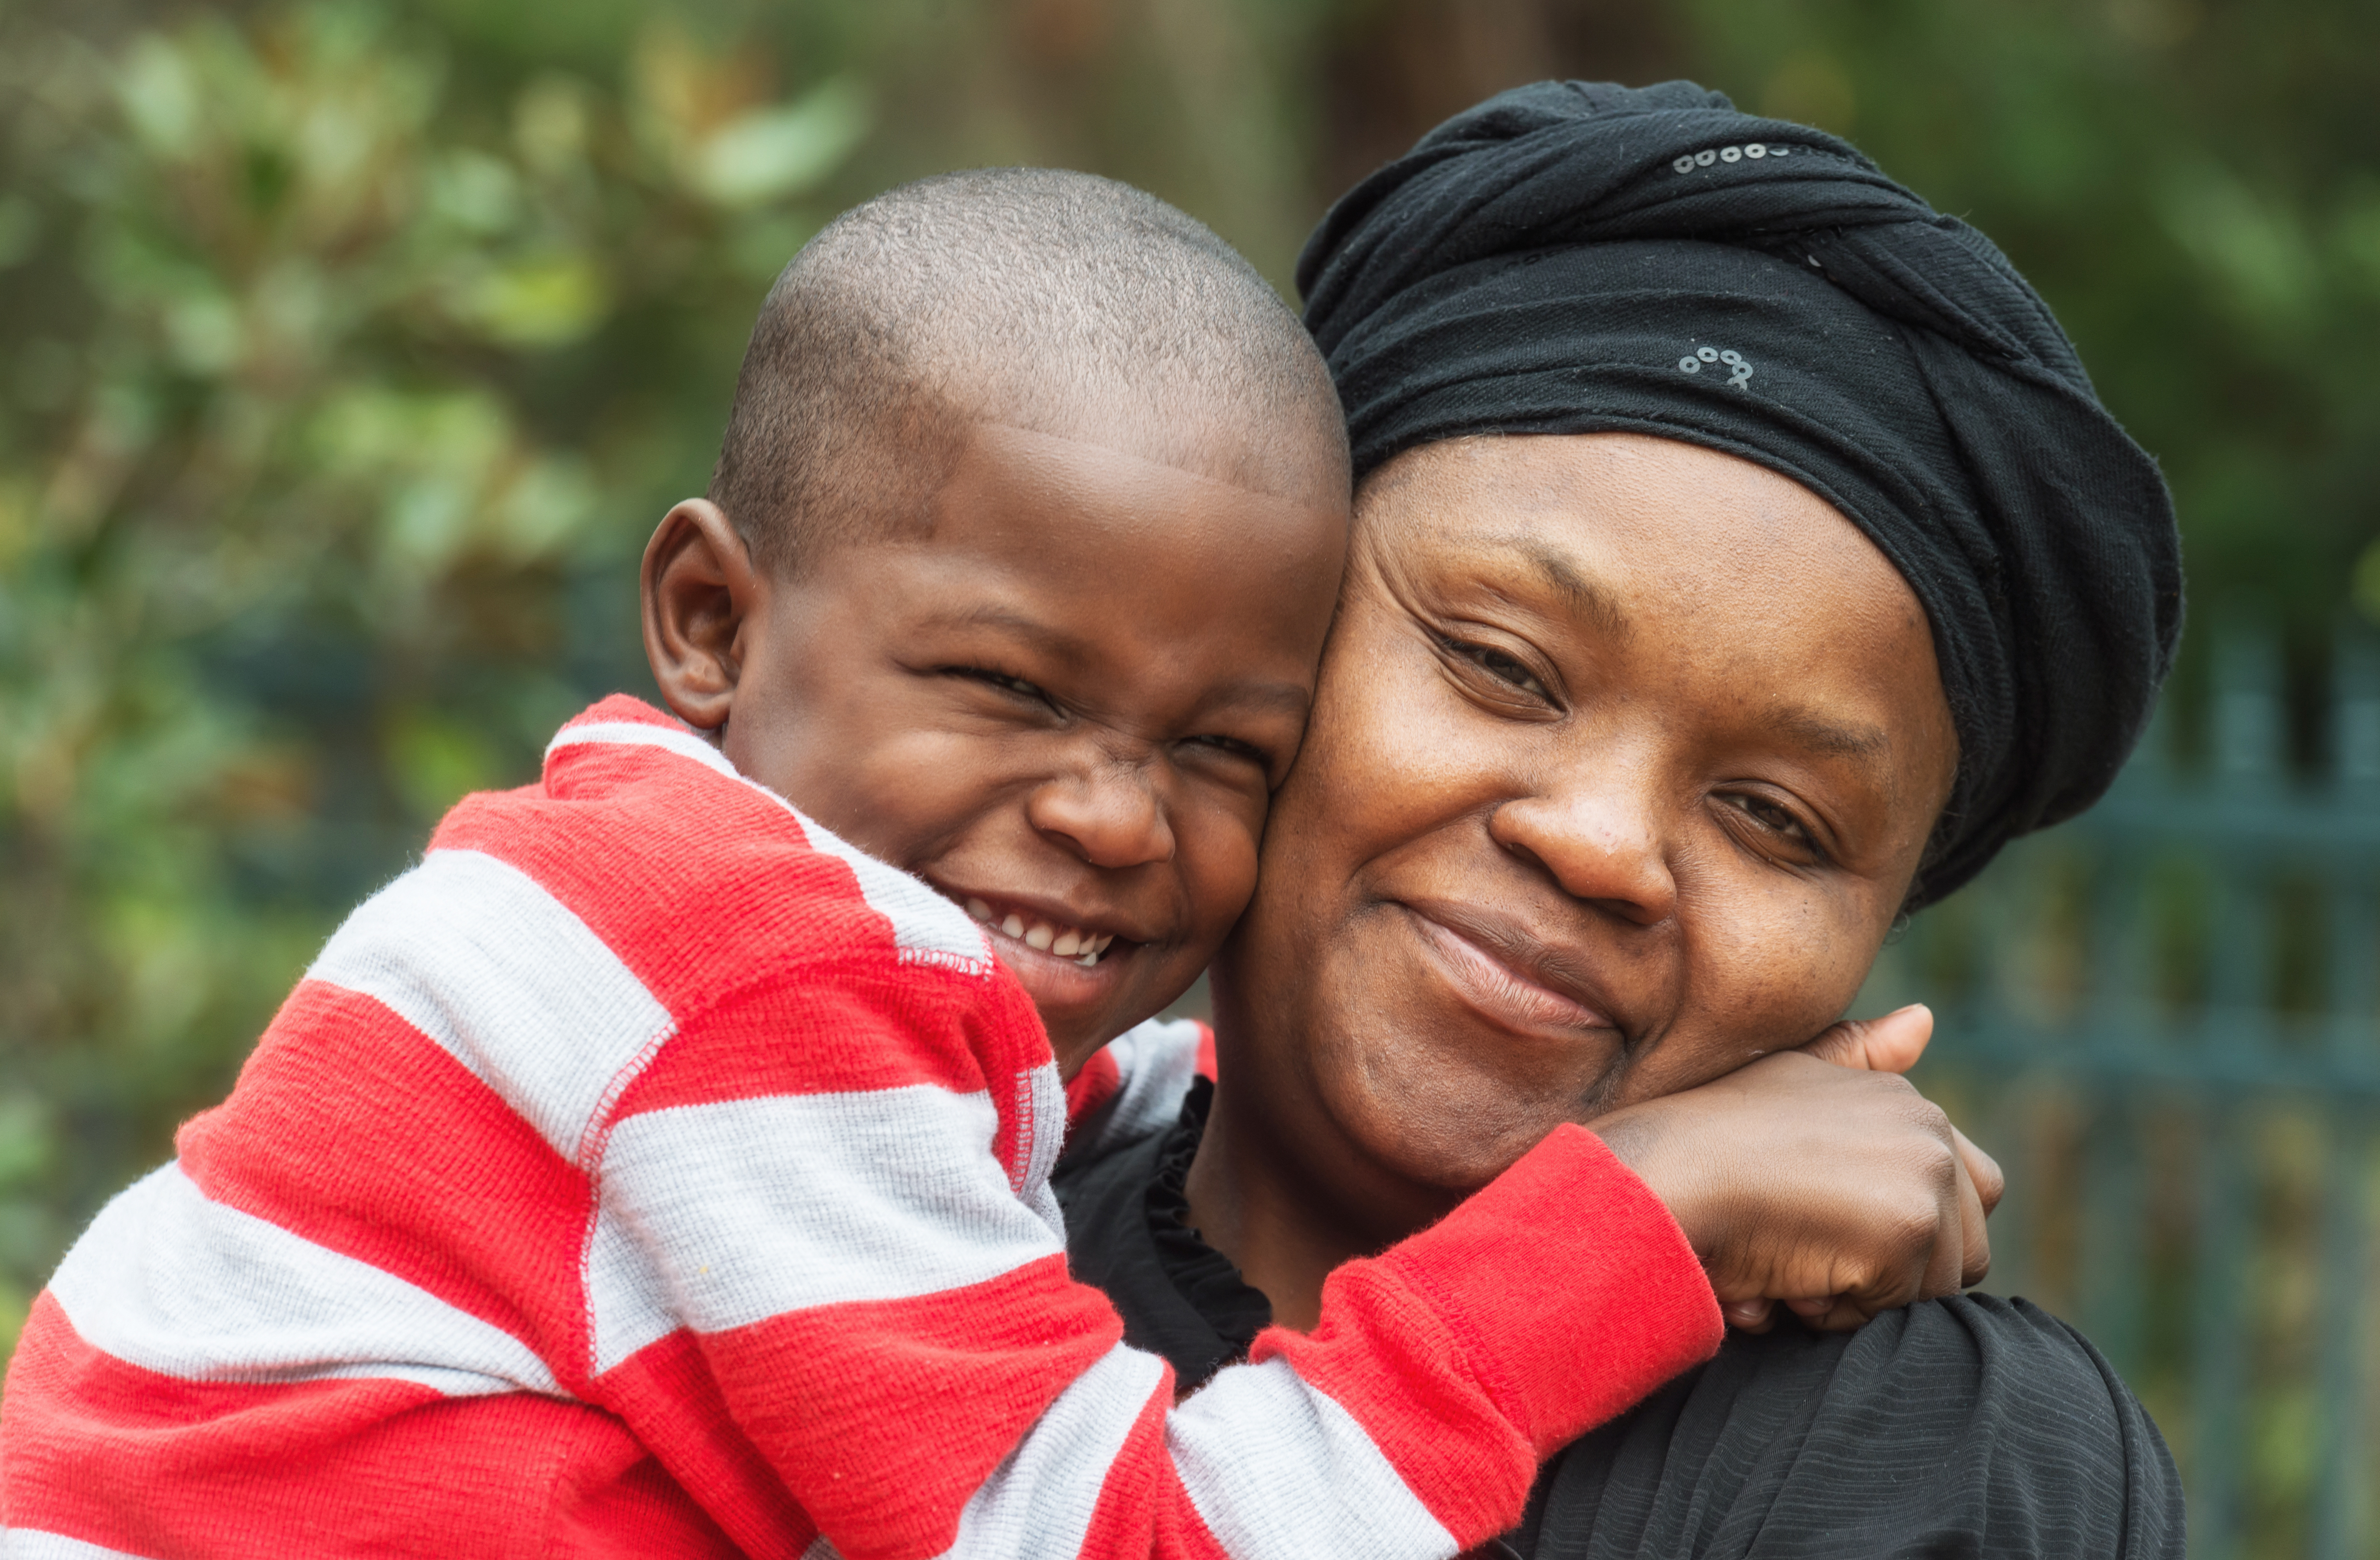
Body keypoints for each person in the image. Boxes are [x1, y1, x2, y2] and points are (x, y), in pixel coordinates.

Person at [0, 168, 1985, 1560]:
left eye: (1219, 747)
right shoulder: (745, 997)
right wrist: (1641, 1212)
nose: (1117, 813)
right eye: (1010, 690)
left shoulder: (645, 903)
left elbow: (950, 1083)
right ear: (708, 617)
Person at [1057, 82, 2188, 1557]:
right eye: (1502, 667)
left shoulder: (1921, 1459)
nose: (1597, 842)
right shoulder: (885, 1229)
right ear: (1274, 639)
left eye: (1778, 819)